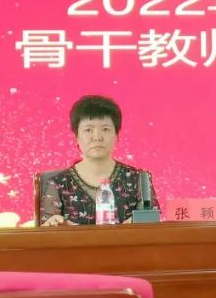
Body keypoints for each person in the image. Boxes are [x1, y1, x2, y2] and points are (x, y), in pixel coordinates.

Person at [40, 95, 152, 226]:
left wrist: (137, 223)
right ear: (76, 136)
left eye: (105, 129)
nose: (97, 137)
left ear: (116, 135)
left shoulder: (139, 179)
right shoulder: (58, 183)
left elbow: (153, 227)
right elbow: (45, 233)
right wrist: (56, 225)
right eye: (88, 130)